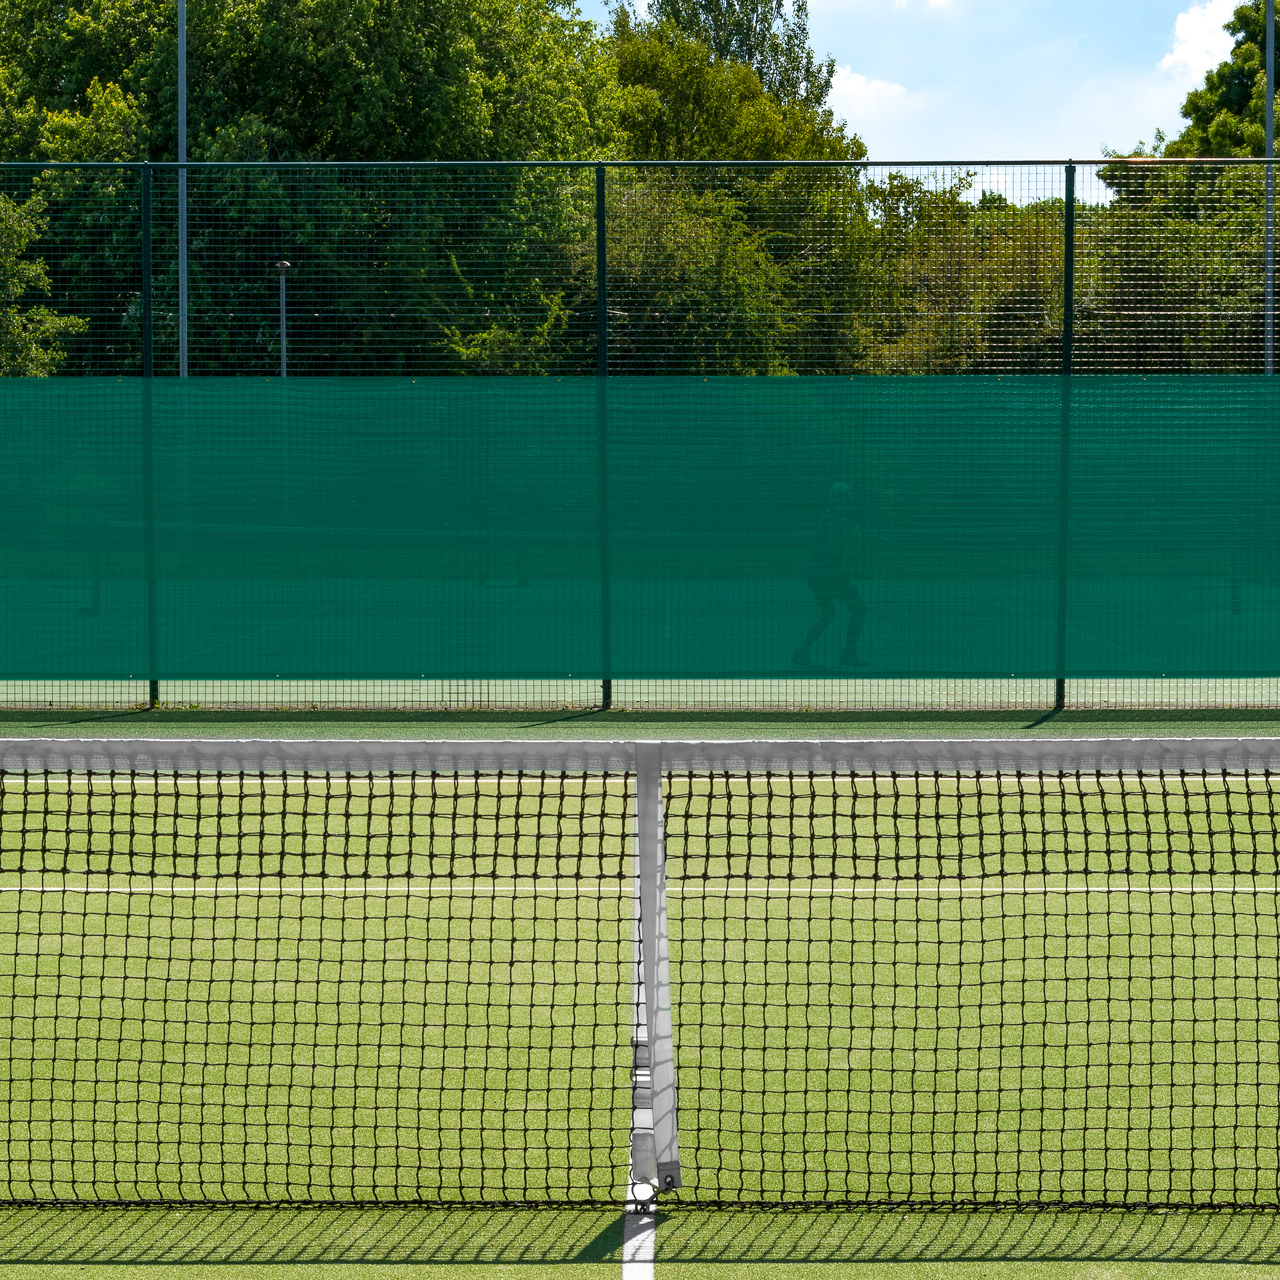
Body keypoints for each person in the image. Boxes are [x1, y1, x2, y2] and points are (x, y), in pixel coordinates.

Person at [793, 482, 867, 669]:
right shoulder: (831, 520)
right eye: (847, 496)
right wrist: (851, 537)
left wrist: (846, 527)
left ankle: (802, 652)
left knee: (828, 614)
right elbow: (832, 546)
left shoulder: (834, 518)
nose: (850, 500)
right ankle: (848, 654)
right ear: (840, 499)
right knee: (859, 608)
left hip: (817, 572)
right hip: (827, 572)